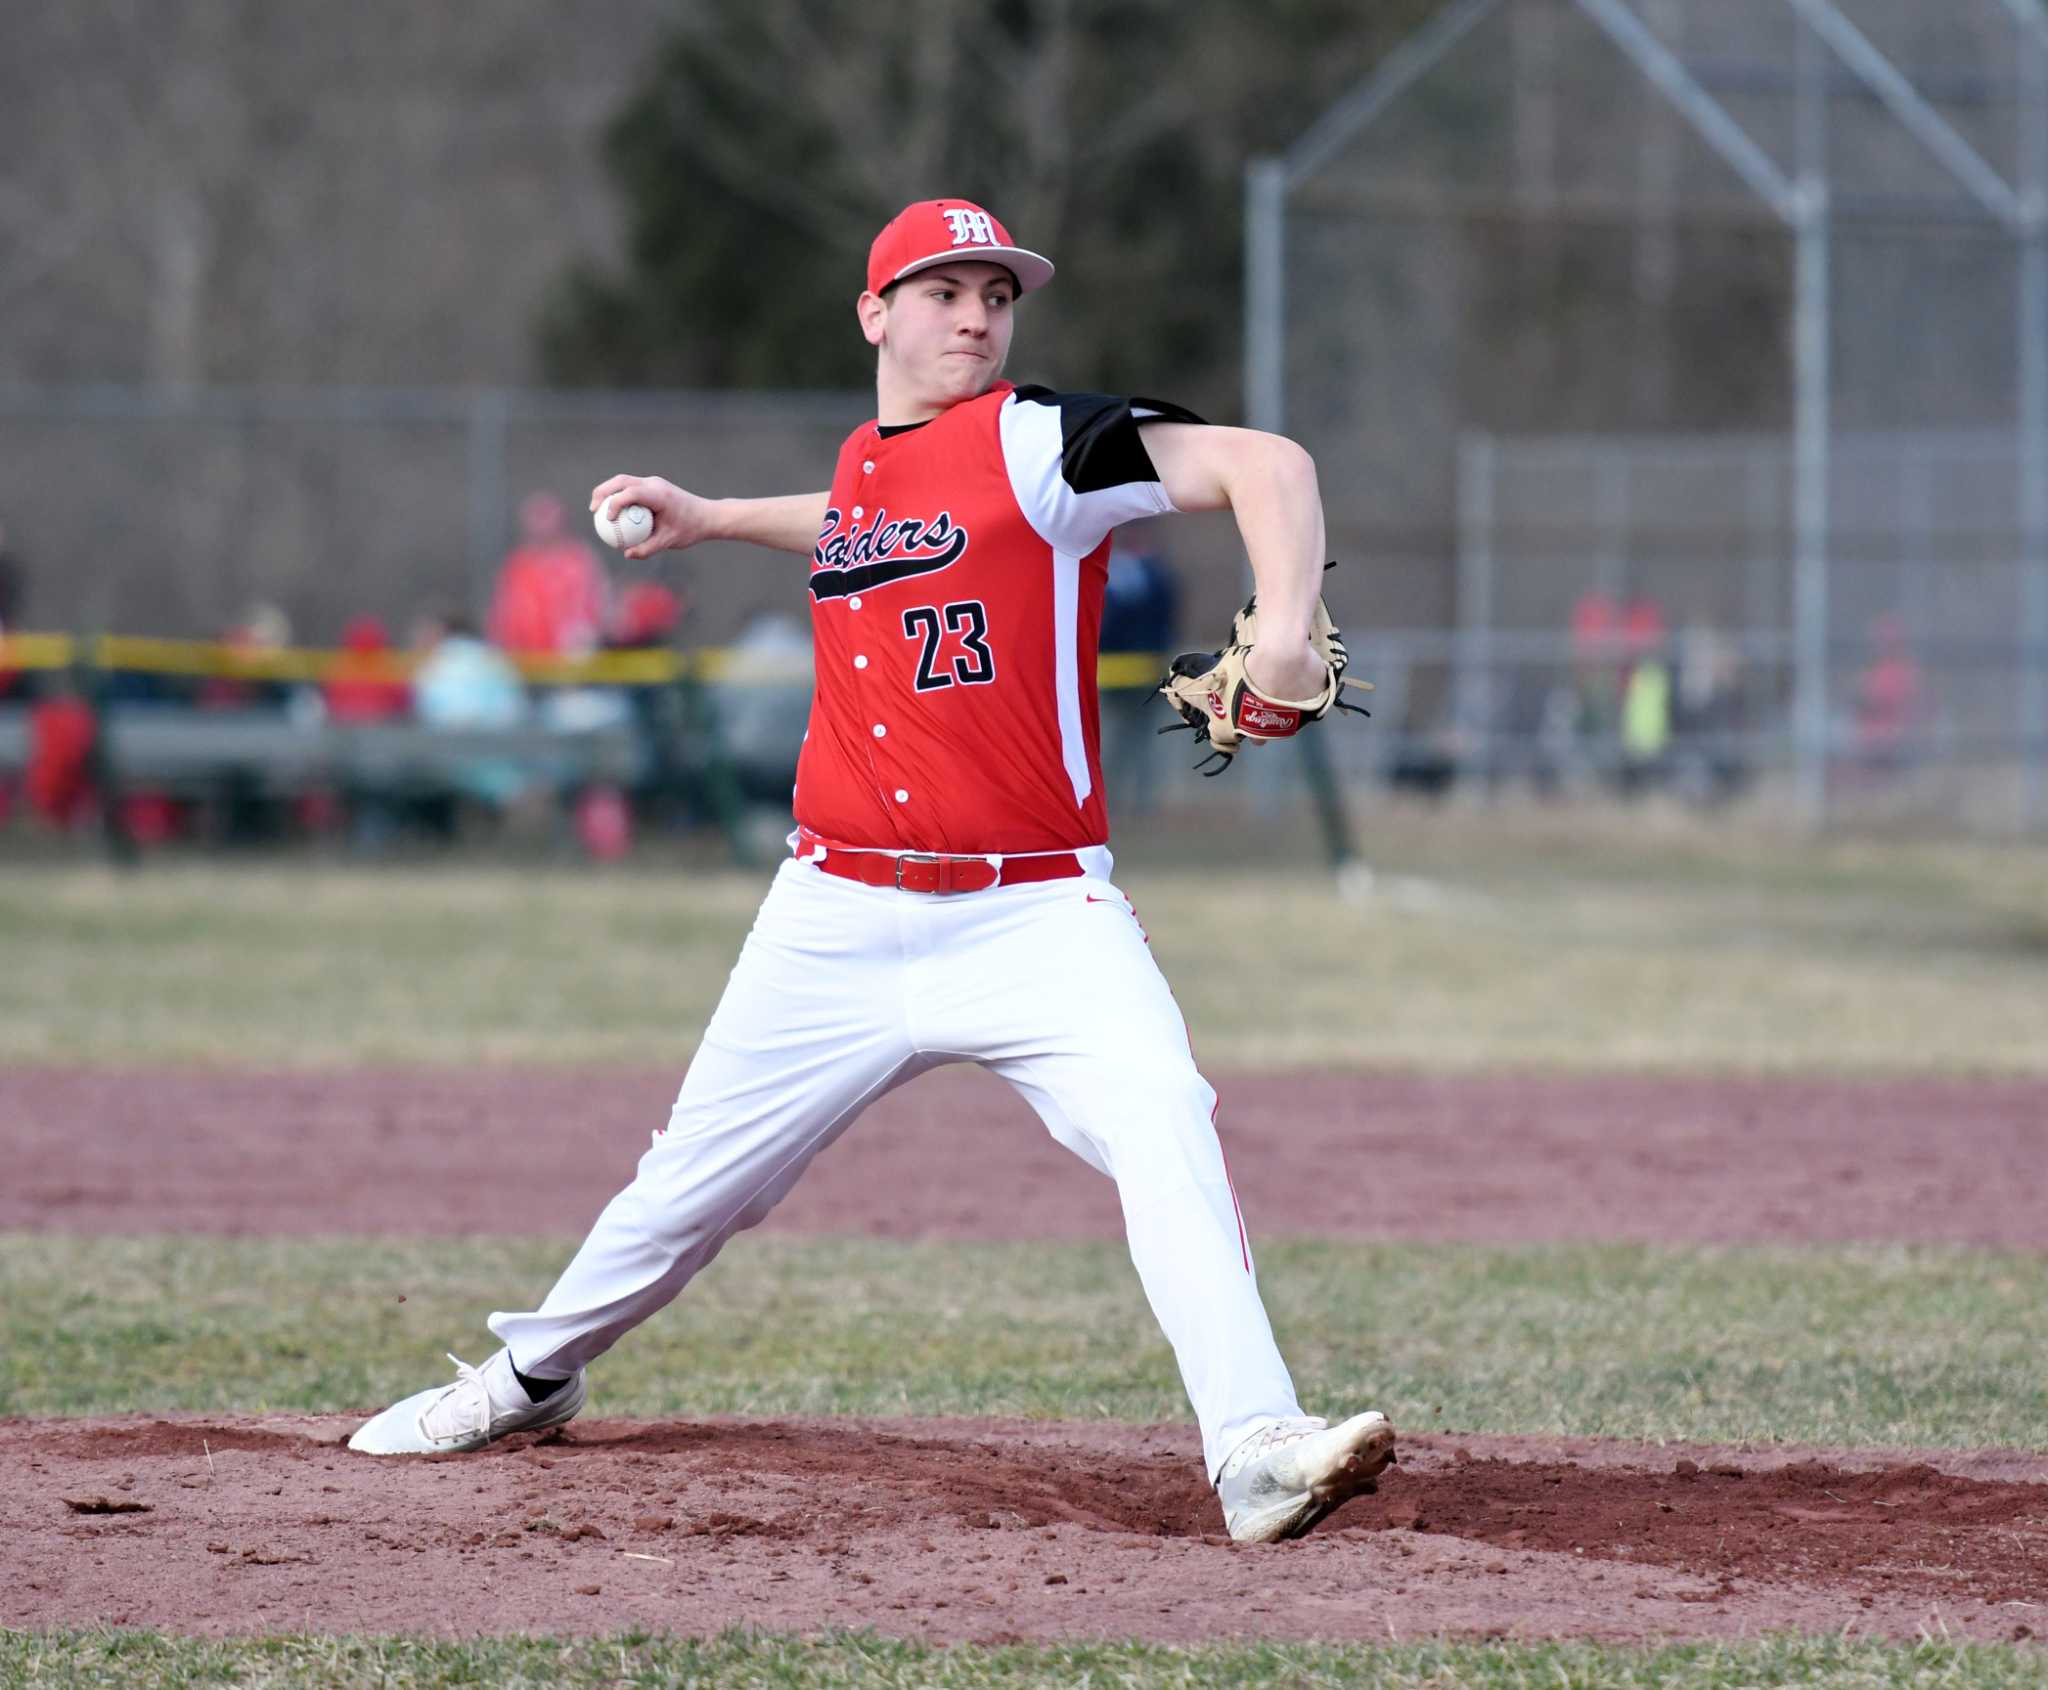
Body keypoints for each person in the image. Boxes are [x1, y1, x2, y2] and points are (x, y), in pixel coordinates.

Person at [348, 198, 1394, 1544]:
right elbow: (862, 515)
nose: (976, 314)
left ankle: (1255, 1443)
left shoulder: (1042, 444)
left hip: (1035, 913)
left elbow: (1271, 465)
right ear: (874, 313)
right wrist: (715, 517)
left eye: (997, 295)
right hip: (834, 912)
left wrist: (1292, 632)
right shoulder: (865, 465)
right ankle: (527, 1374)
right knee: (689, 1187)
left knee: (1162, 1120)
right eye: (945, 289)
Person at [488, 491, 610, 661]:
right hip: (525, 658)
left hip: (572, 658)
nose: (542, 525)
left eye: (546, 516)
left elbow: (599, 603)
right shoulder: (518, 564)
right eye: (537, 517)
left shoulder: (579, 559)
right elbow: (503, 611)